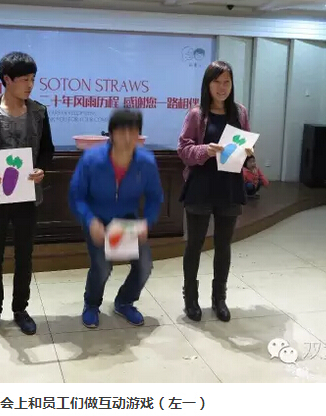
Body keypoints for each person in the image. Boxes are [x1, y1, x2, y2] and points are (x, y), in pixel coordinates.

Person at [0, 51, 54, 339]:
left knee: (24, 255)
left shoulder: (39, 112)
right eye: (24, 79)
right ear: (7, 79)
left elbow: (47, 149)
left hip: (27, 194)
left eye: (33, 79)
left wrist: (42, 168)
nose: (30, 85)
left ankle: (20, 309)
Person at [69, 109, 164, 328]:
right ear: (111, 134)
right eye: (122, 132)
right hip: (98, 220)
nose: (128, 138)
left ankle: (124, 302)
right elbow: (76, 196)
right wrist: (90, 220)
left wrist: (147, 222)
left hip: (128, 221)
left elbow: (155, 197)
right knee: (102, 267)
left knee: (144, 265)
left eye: (133, 131)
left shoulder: (146, 162)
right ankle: (91, 304)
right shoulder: (92, 159)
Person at [177, 60, 254, 323]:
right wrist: (205, 150)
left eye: (227, 82)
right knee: (195, 244)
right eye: (217, 82)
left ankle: (219, 298)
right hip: (201, 184)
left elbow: (245, 148)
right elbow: (183, 149)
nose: (222, 88)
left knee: (223, 245)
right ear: (207, 85)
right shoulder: (196, 114)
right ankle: (190, 298)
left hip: (229, 185)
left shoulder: (240, 113)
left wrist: (249, 155)